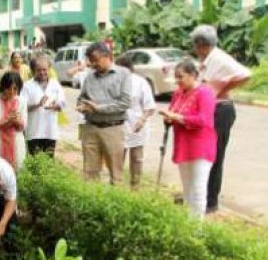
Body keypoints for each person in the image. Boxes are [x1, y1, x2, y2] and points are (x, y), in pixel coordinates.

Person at [190, 25, 252, 213]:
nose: (194, 48)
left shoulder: (219, 57)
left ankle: (211, 201)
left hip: (221, 111)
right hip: (209, 110)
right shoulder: (205, 59)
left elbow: (246, 75)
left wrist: (224, 90)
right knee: (203, 155)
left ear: (202, 44)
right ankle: (199, 195)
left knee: (214, 157)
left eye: (195, 44)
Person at [159, 59, 216, 219]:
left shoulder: (205, 93)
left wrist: (177, 117)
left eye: (180, 77)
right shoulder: (178, 93)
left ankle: (197, 228)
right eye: (176, 77)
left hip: (200, 146)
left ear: (192, 75)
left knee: (198, 188)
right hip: (183, 144)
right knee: (187, 188)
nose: (177, 81)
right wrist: (169, 118)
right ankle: (188, 222)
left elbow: (203, 120)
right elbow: (172, 111)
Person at [77, 42, 131, 185]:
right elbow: (81, 98)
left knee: (116, 174)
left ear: (107, 56)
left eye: (95, 59)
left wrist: (98, 108)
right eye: (90, 60)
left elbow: (125, 103)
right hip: (91, 128)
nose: (93, 63)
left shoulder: (123, 74)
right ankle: (93, 204)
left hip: (113, 128)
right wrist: (82, 106)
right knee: (90, 173)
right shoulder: (89, 77)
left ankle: (116, 204)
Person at [115, 56, 156, 189]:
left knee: (137, 158)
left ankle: (135, 187)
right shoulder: (115, 82)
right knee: (117, 158)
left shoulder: (140, 82)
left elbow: (149, 106)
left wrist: (142, 120)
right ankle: (116, 185)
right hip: (119, 126)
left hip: (137, 126)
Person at [20, 56, 65, 157]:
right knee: (34, 161)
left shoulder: (55, 85)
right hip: (33, 132)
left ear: (49, 69)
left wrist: (55, 106)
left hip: (50, 131)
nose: (42, 72)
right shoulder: (27, 86)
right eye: (38, 70)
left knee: (49, 160)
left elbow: (62, 104)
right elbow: (21, 108)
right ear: (33, 71)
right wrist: (37, 105)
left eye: (44, 69)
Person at [0, 72, 27, 171]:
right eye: (9, 88)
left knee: (15, 172)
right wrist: (8, 120)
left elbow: (23, 126)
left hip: (15, 145)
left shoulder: (22, 102)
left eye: (15, 89)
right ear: (3, 87)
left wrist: (16, 121)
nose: (12, 92)